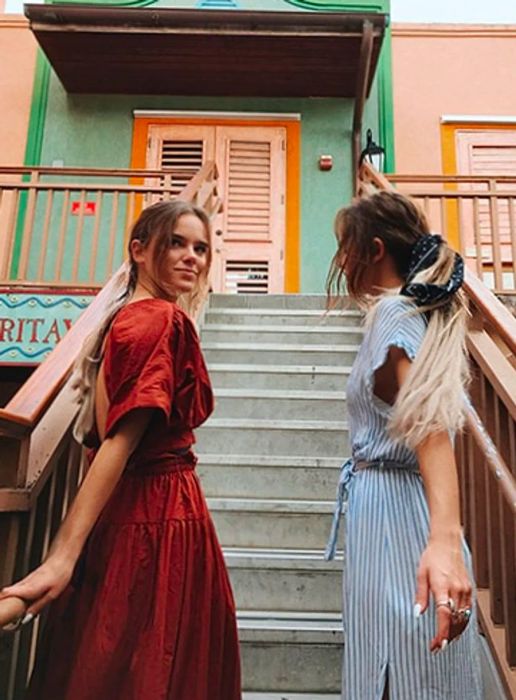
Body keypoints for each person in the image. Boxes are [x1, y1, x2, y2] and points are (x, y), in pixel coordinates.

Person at [0, 200, 241, 700]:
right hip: (158, 516)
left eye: (201, 248)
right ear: (138, 250)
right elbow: (121, 438)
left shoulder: (126, 319)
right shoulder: (160, 322)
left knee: (107, 662)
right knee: (151, 669)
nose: (192, 257)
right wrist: (60, 556)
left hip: (128, 513)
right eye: (175, 242)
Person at [325, 191, 482, 699]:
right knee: (413, 671)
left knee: (396, 670)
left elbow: (428, 426)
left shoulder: (392, 312)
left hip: (395, 519)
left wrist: (444, 542)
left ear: (373, 249)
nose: (341, 263)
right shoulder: (418, 315)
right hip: (395, 511)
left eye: (344, 249)